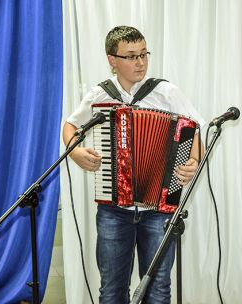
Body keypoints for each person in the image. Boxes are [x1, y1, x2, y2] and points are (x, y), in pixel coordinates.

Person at [62, 26, 205, 304]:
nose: (140, 62)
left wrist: (194, 160)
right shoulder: (99, 95)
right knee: (112, 289)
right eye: (131, 56)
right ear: (112, 60)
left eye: (143, 54)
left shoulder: (165, 92)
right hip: (113, 210)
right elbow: (70, 125)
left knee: (159, 289)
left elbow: (196, 129)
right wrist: (75, 151)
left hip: (158, 209)